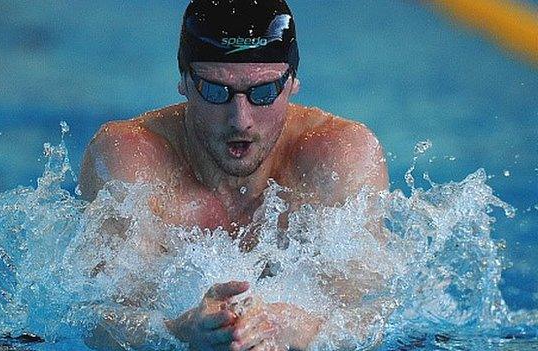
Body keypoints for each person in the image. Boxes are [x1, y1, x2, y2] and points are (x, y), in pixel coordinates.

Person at [79, 0, 389, 350]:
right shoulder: (130, 159)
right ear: (183, 80)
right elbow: (96, 323)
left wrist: (296, 329)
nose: (240, 120)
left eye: (264, 92)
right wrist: (175, 334)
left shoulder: (340, 158)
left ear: (293, 82)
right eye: (215, 91)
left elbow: (374, 320)